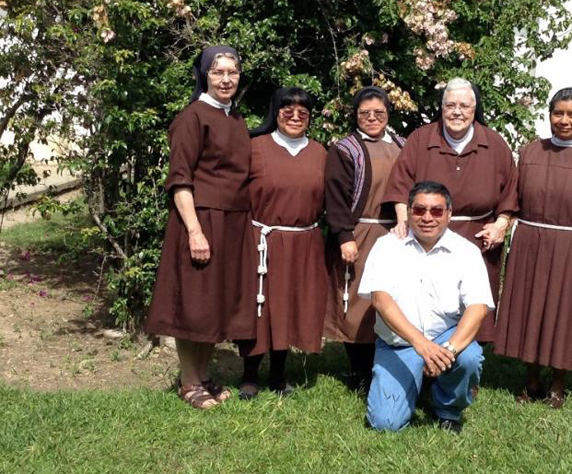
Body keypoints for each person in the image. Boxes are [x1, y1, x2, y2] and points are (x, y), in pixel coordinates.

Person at [145, 45, 256, 409]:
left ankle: (204, 374)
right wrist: (194, 230)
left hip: (233, 223)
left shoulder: (236, 119)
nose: (226, 79)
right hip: (201, 220)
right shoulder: (192, 117)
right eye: (218, 72)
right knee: (194, 302)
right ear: (204, 76)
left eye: (232, 72)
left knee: (214, 301)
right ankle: (189, 381)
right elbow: (180, 180)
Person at [494, 88, 572, 408]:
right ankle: (531, 380)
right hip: (530, 242)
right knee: (528, 309)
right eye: (558, 113)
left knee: (565, 313)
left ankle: (558, 384)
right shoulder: (531, 151)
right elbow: (512, 200)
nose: (563, 120)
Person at [384, 78, 518, 343]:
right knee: (426, 300)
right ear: (442, 108)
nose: (457, 112)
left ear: (475, 108)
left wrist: (501, 224)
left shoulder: (494, 143)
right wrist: (403, 221)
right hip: (427, 235)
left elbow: (511, 194)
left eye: (465, 106)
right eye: (451, 105)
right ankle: (422, 358)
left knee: (471, 300)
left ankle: (467, 362)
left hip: (476, 236)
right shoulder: (421, 139)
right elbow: (400, 186)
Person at [359, 181, 494, 433]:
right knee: (385, 424)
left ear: (449, 214)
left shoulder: (466, 252)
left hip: (446, 338)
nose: (427, 217)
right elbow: (380, 300)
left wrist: (448, 352)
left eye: (436, 211)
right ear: (408, 212)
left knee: (470, 357)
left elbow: (478, 307)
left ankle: (448, 408)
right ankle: (416, 381)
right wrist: (422, 346)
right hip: (399, 343)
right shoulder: (386, 247)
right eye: (419, 210)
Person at [235, 87, 328, 399]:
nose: (296, 116)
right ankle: (249, 375)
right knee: (258, 309)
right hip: (260, 240)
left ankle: (278, 373)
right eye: (288, 109)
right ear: (275, 112)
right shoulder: (254, 147)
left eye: (303, 111)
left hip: (303, 242)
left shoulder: (320, 153)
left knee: (288, 307)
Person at [324, 86, 406, 392]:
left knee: (390, 299)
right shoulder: (345, 150)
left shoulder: (402, 144)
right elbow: (335, 197)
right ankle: (359, 371)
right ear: (355, 115)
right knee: (357, 301)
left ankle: (385, 363)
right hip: (359, 232)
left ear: (388, 114)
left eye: (379, 113)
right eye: (364, 113)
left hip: (395, 233)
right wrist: (345, 236)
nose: (372, 118)